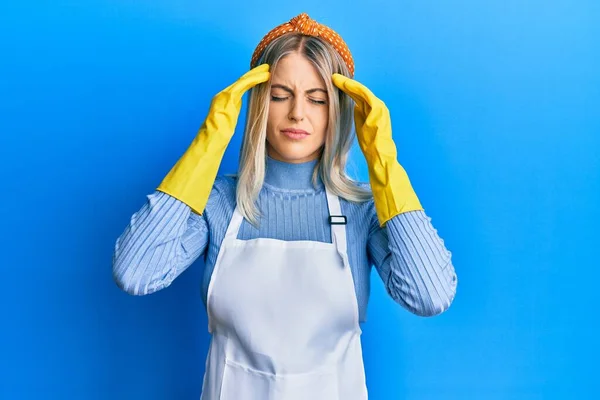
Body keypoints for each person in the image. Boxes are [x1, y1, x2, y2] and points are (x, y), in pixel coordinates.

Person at [112, 12, 458, 400]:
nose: (297, 113)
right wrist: (208, 145)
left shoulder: (363, 209)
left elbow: (430, 295)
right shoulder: (217, 204)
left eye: (317, 99)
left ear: (339, 111)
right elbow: (135, 274)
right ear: (259, 103)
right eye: (280, 95)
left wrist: (383, 160)